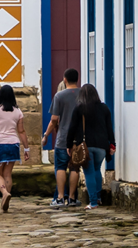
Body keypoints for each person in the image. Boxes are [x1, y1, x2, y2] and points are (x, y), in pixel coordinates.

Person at [70, 84, 117, 209]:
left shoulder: (79, 109)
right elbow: (109, 128)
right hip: (102, 146)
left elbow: (72, 129)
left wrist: (69, 145)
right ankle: (98, 198)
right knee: (97, 170)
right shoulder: (104, 108)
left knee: (88, 172)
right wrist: (112, 144)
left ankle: (93, 202)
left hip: (86, 146)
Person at [42, 69, 83, 207]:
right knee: (74, 168)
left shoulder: (59, 96)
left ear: (64, 79)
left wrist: (46, 135)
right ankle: (72, 198)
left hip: (63, 139)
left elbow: (54, 120)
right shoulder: (83, 95)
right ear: (77, 79)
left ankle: (60, 198)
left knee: (60, 167)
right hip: (78, 138)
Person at [0, 85, 25, 213]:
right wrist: (27, 149)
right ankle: (6, 196)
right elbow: (21, 131)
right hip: (13, 144)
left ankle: (4, 192)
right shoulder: (18, 112)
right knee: (7, 173)